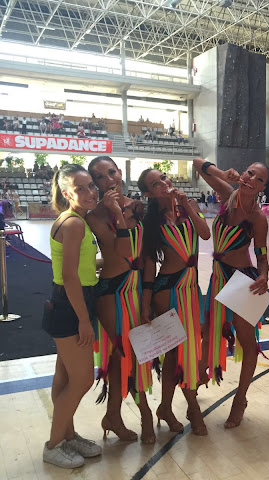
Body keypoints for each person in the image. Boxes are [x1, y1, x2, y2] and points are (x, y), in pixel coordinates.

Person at [194, 157, 269, 428]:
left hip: (242, 281)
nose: (252, 180)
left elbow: (262, 254)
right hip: (217, 277)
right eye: (250, 173)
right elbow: (197, 164)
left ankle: (240, 399)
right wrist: (221, 172)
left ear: (262, 188)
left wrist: (264, 275)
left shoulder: (258, 218)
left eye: (259, 179)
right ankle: (199, 376)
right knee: (208, 333)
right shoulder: (227, 195)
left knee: (247, 342)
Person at [86, 156, 155, 444]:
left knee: (121, 355)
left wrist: (147, 298)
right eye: (100, 177)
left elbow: (147, 256)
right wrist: (115, 212)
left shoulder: (138, 207)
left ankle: (112, 414)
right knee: (130, 350)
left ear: (120, 173)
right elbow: (122, 251)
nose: (109, 179)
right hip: (112, 291)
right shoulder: (94, 216)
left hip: (136, 289)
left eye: (111, 172)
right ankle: (145, 414)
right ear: (95, 184)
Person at [138, 168, 211, 436]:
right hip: (167, 290)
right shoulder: (151, 222)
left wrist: (187, 206)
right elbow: (149, 264)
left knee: (179, 352)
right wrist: (146, 303)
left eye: (163, 178)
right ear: (149, 194)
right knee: (181, 351)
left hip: (191, 289)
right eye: (155, 184)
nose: (163, 183)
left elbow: (205, 234)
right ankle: (193, 408)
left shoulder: (189, 208)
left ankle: (166, 407)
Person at [41, 164, 102, 469]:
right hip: (71, 305)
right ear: (66, 193)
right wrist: (84, 320)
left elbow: (78, 266)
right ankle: (53, 445)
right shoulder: (75, 223)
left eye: (91, 186)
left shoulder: (76, 219)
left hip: (68, 300)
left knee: (65, 376)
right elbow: (69, 276)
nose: (90, 192)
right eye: (80, 188)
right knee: (82, 379)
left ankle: (67, 435)